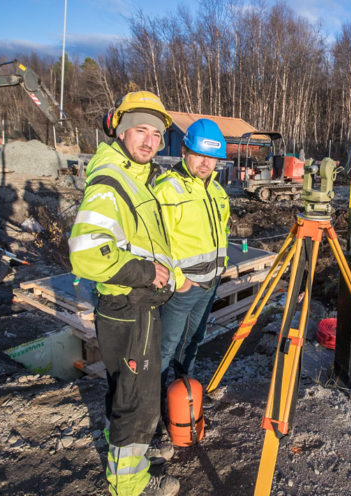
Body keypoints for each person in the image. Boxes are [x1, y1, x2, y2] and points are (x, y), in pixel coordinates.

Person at [69, 91, 183, 496]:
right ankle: (130, 485)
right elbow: (86, 253)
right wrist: (147, 272)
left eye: (156, 134)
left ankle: (126, 456)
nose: (149, 141)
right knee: (137, 401)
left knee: (126, 391)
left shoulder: (135, 177)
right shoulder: (111, 181)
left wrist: (168, 272)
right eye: (140, 130)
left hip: (135, 306)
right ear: (120, 130)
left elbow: (141, 240)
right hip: (127, 305)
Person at [153, 118, 230, 389]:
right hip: (181, 288)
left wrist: (219, 272)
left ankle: (184, 391)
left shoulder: (218, 192)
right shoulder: (167, 189)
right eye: (199, 155)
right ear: (184, 152)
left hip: (210, 283)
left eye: (212, 157)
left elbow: (222, 233)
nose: (206, 163)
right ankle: (159, 404)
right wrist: (179, 280)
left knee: (194, 339)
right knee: (165, 347)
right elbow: (154, 243)